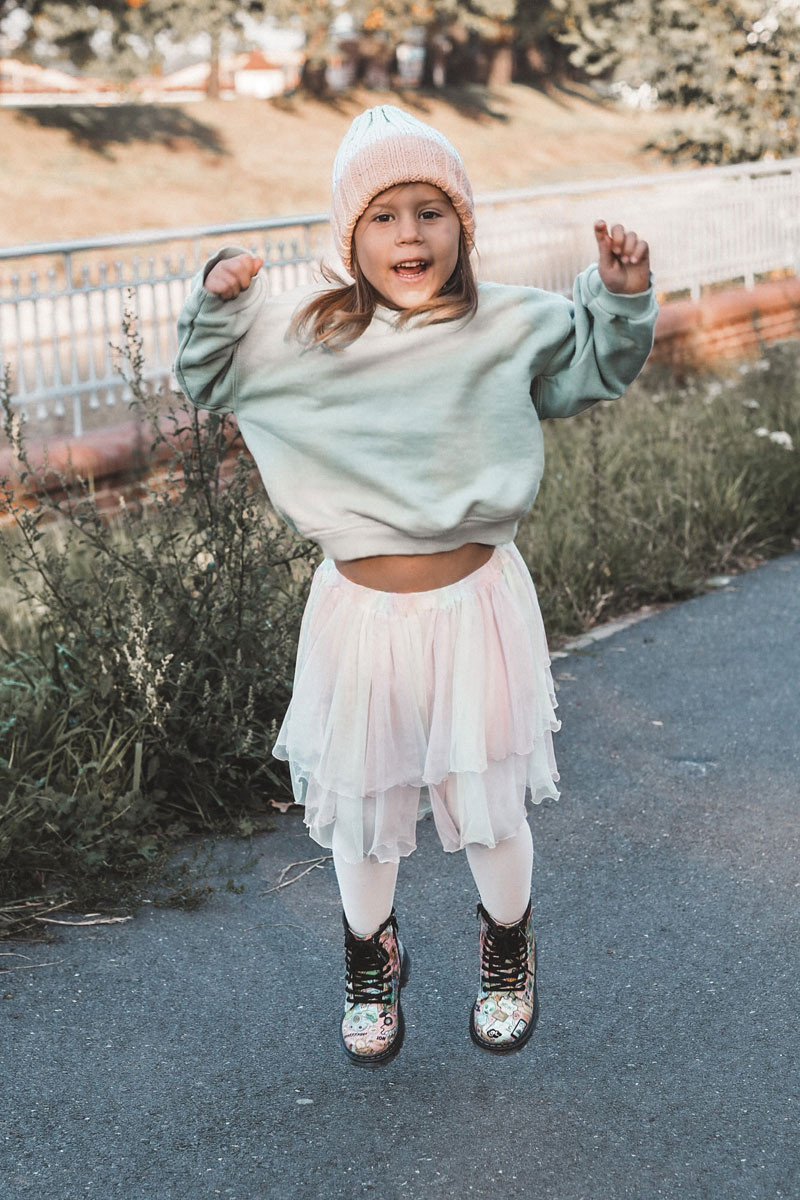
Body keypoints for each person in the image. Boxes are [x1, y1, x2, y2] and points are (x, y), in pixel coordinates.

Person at [174, 104, 657, 1067]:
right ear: (349, 235)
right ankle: (371, 956)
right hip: (360, 617)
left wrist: (620, 293)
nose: (410, 235)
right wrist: (219, 294)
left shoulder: (507, 323)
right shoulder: (307, 335)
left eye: (432, 212)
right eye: (384, 215)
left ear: (462, 227)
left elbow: (593, 368)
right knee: (362, 810)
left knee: (489, 804)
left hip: (477, 605)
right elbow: (206, 375)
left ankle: (508, 947)